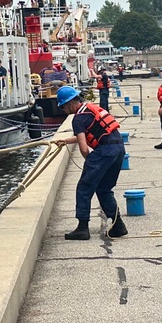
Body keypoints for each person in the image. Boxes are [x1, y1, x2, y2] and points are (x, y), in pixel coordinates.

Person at [53, 85, 128, 241]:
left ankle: (82, 228)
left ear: (70, 104)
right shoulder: (91, 108)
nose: (63, 111)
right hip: (119, 148)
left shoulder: (77, 119)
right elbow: (95, 133)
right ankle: (118, 225)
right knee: (104, 188)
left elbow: (83, 147)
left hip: (104, 152)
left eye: (63, 107)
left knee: (84, 187)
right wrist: (66, 140)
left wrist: (91, 163)